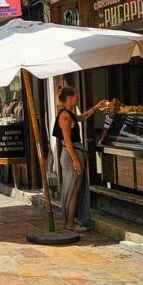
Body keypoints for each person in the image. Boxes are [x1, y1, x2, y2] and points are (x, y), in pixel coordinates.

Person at [52, 86, 107, 231]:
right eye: (76, 95)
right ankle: (69, 223)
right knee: (72, 189)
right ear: (70, 98)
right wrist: (75, 159)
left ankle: (72, 221)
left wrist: (95, 108)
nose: (78, 97)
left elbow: (81, 117)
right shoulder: (64, 116)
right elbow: (67, 140)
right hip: (71, 155)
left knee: (77, 188)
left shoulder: (70, 113)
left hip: (75, 153)